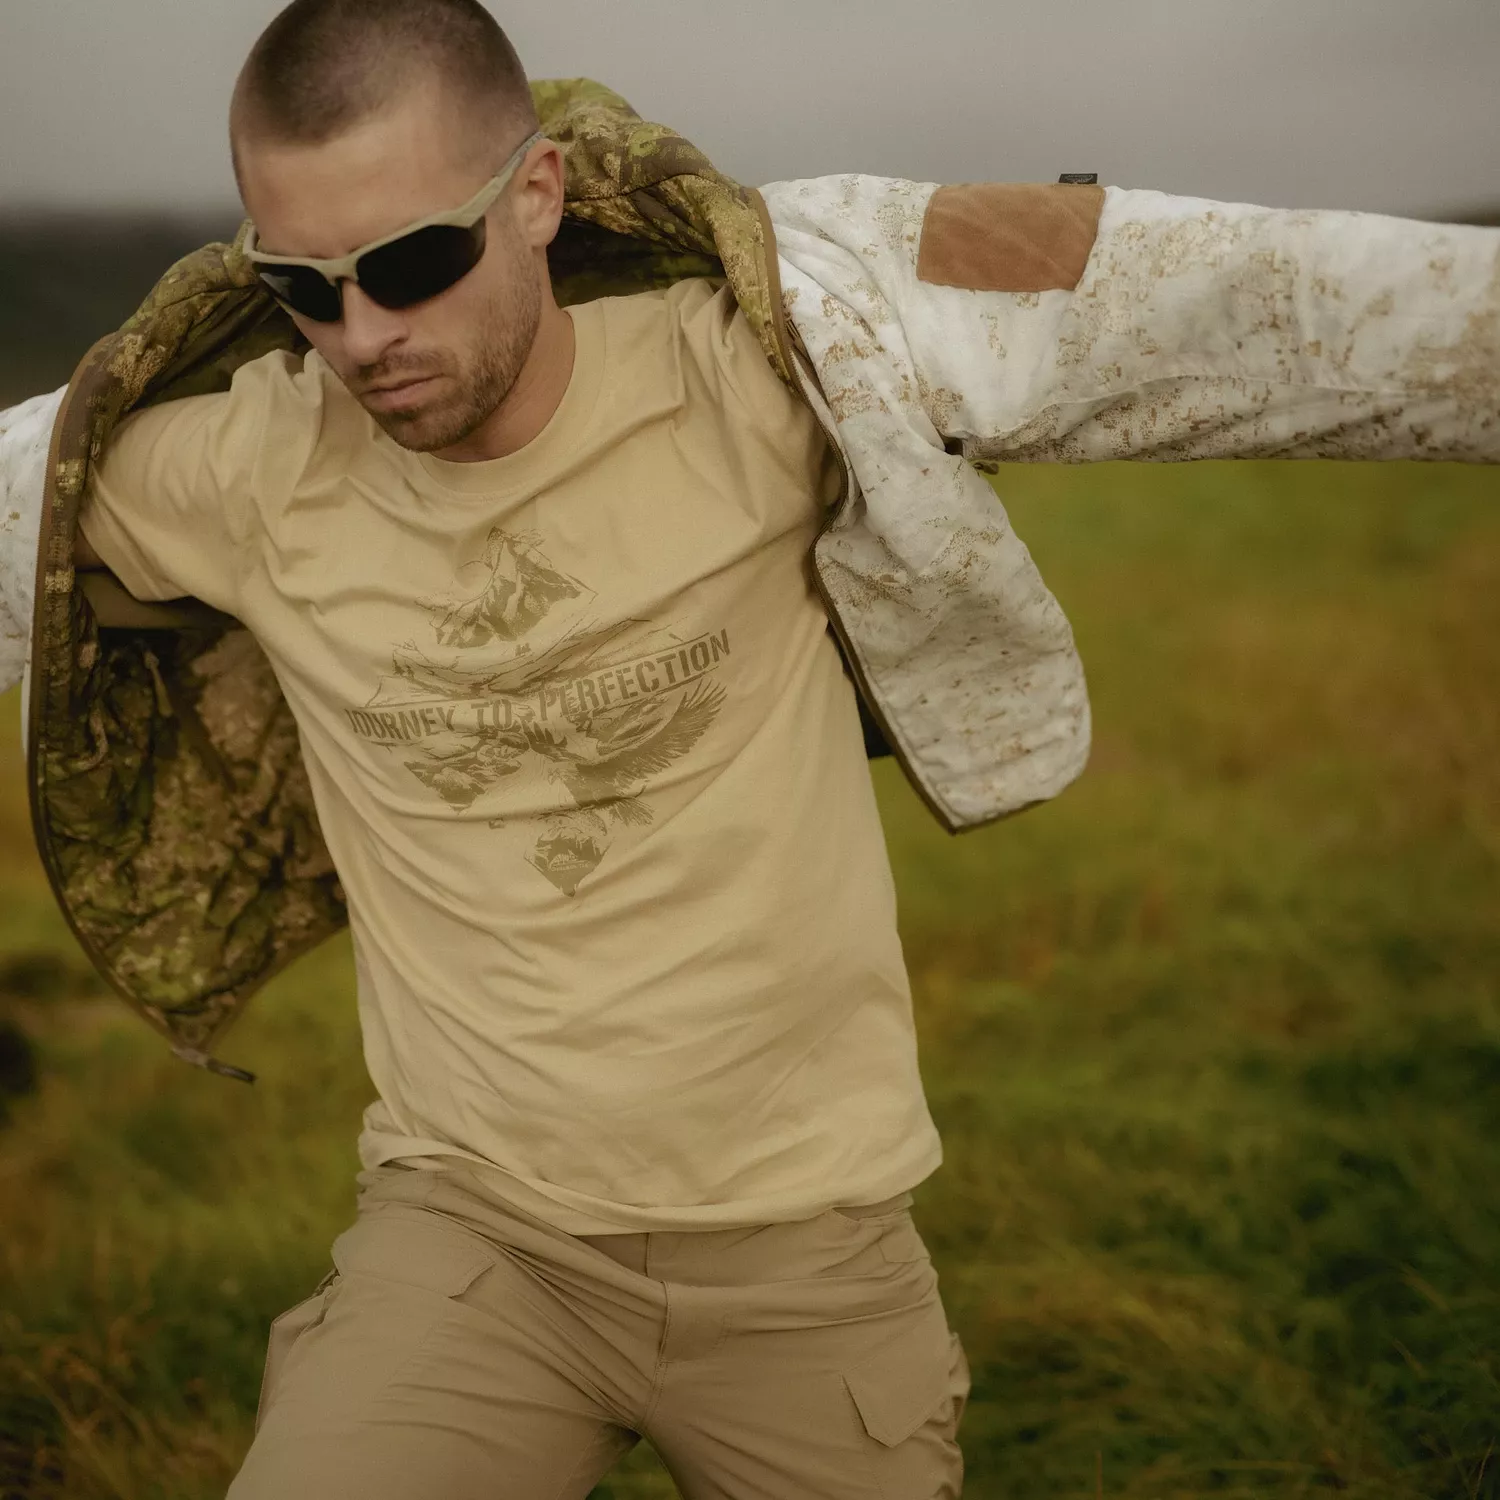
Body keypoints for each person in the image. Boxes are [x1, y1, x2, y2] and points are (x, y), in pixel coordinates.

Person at [3, 0, 1492, 1496]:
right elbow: (36, 495)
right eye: (300, 288)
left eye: (408, 263)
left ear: (536, 196)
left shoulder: (762, 367)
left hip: (809, 1252)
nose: (362, 336)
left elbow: (1203, 306)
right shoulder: (249, 469)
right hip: (471, 1236)